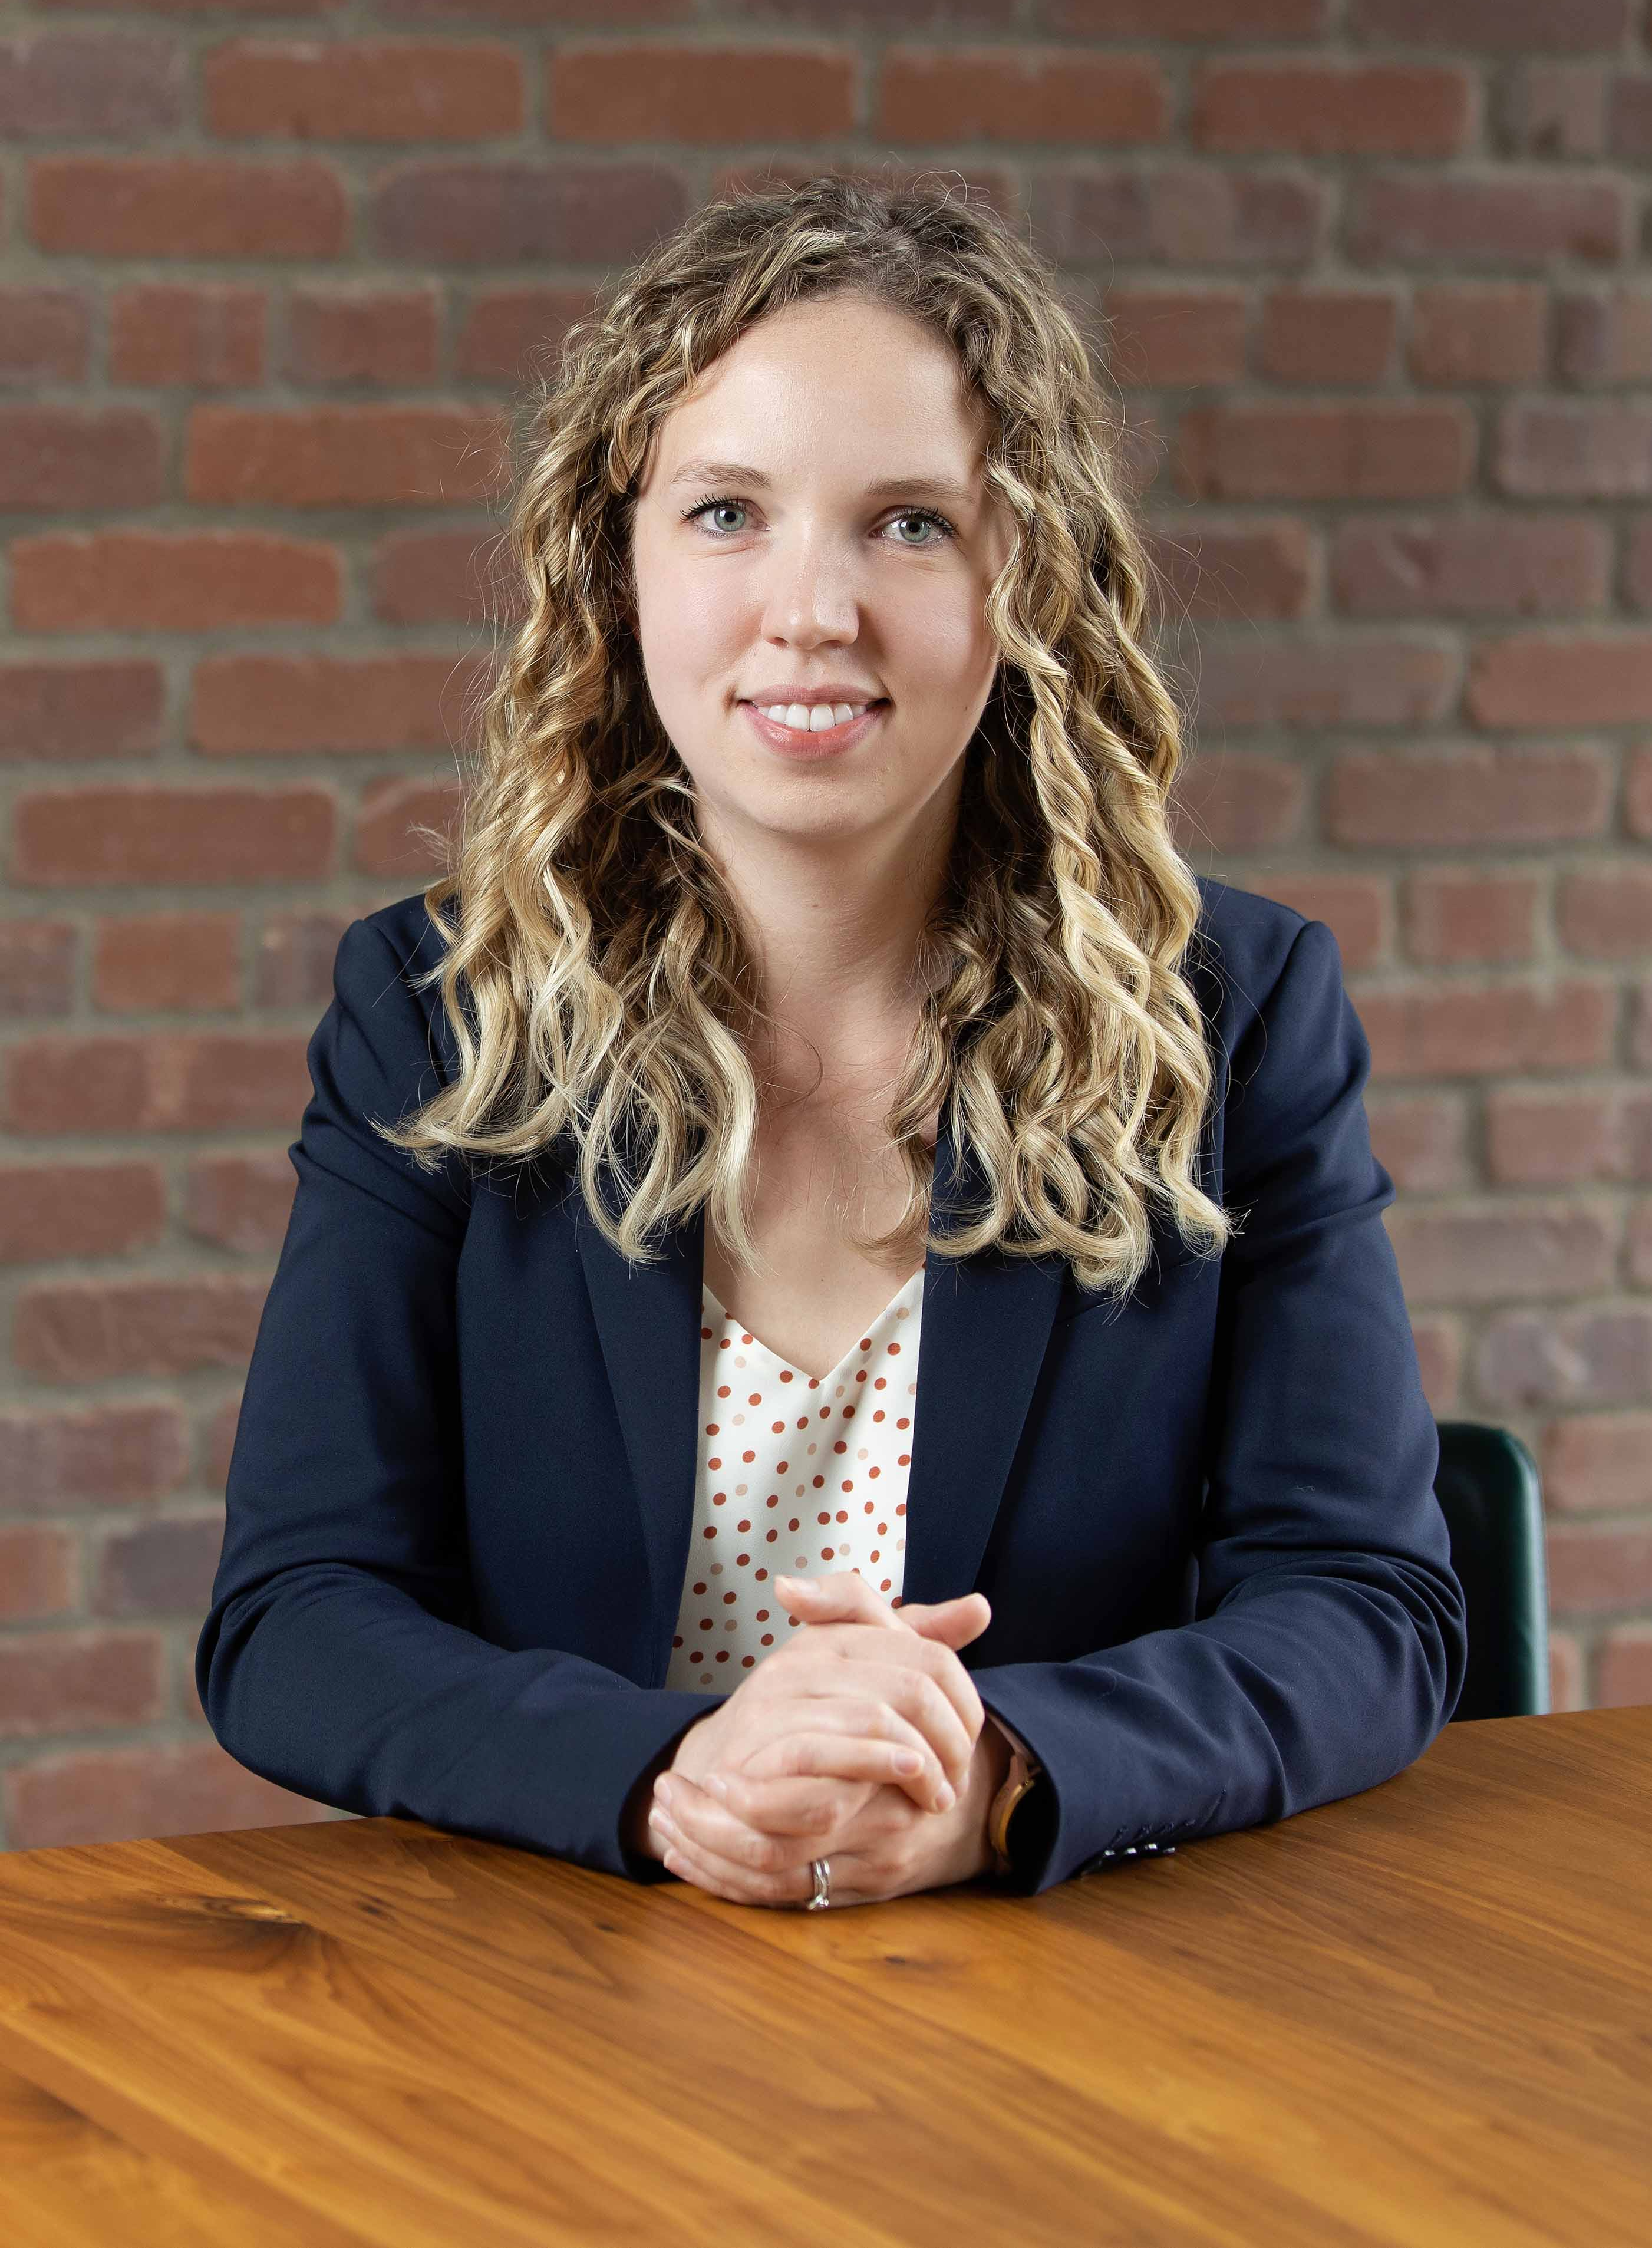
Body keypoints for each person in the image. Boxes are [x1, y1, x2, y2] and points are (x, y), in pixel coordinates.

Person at [196, 174, 1465, 1913]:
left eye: (908, 524)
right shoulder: (438, 1016)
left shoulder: (1230, 1014)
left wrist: (1001, 1776)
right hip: (541, 2003)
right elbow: (294, 1619)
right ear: (613, 566)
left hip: (1067, 2007)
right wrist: (666, 1773)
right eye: (726, 513)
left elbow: (1366, 1606)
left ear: (1025, 582)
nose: (811, 611)